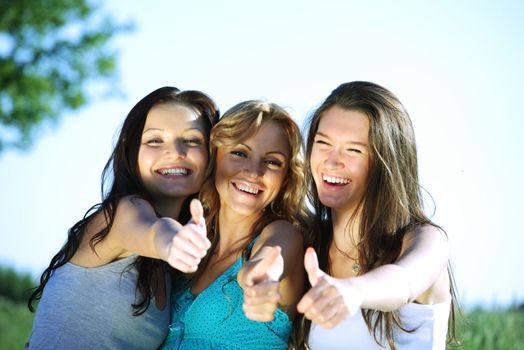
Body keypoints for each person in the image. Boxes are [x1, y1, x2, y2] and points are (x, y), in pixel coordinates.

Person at [27, 86, 219, 349]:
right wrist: (173, 242)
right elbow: (152, 231)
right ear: (132, 152)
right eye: (154, 140)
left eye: (192, 140)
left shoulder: (165, 271)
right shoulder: (120, 214)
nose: (175, 151)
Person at [294, 81, 458, 349]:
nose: (331, 161)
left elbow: (404, 281)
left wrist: (352, 291)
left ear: (387, 161)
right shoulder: (309, 244)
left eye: (354, 149)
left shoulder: (426, 239)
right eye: (323, 143)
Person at [161, 100, 308, 350]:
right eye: (240, 153)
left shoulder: (283, 233)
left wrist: (261, 278)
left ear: (286, 178)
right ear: (214, 157)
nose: (253, 171)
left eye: (272, 162)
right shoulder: (191, 244)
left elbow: (272, 258)